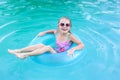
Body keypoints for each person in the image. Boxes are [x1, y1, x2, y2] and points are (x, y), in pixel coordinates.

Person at [8, 17, 84, 59]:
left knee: (48, 47)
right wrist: (44, 32)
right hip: (55, 51)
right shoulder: (57, 32)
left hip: (59, 55)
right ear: (58, 25)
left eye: (67, 25)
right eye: (62, 24)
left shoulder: (69, 36)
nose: (64, 26)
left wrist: (73, 49)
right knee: (40, 45)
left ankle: (25, 55)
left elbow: (81, 45)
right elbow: (52, 31)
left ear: (70, 27)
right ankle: (18, 50)